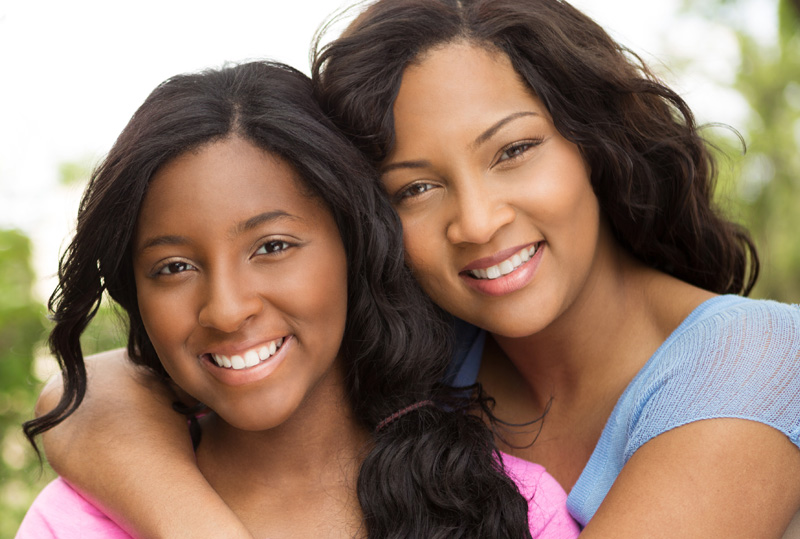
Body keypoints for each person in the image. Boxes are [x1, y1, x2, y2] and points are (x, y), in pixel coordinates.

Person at [32, 0, 800, 536]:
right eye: (416, 187)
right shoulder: (436, 340)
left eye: (514, 150)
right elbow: (89, 388)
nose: (475, 220)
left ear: (593, 144)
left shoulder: (756, 357)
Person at [18, 61, 579, 538]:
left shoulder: (513, 509)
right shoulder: (73, 525)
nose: (227, 308)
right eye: (174, 267)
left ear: (354, 245)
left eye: (272, 246)